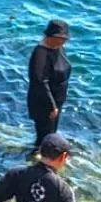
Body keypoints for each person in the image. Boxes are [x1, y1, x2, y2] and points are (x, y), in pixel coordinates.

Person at [27, 20, 72, 148]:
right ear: (49, 36)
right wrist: (52, 106)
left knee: (51, 133)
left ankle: (45, 158)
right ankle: (38, 159)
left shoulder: (59, 49)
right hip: (44, 103)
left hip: (57, 101)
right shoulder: (41, 53)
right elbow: (40, 82)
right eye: (59, 38)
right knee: (44, 136)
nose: (62, 42)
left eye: (65, 39)